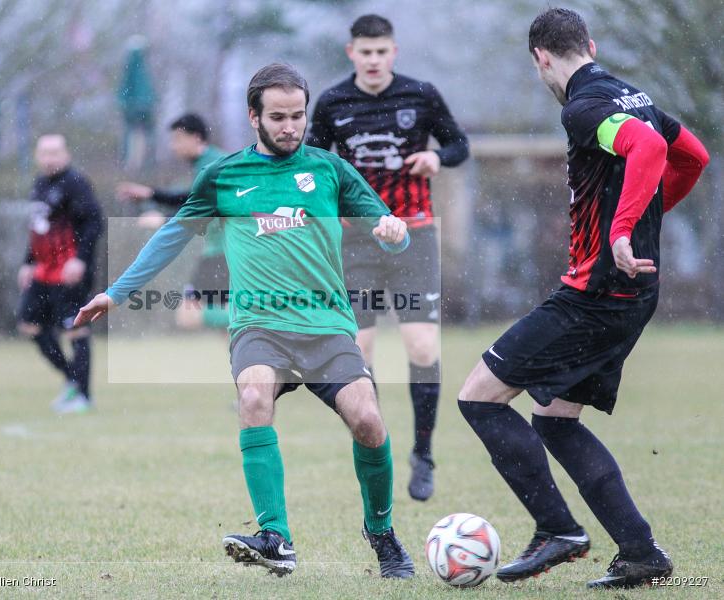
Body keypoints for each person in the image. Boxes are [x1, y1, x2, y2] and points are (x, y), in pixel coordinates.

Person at [76, 63, 416, 579]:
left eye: (298, 116)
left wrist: (395, 232)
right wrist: (116, 292)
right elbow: (174, 233)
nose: (290, 127)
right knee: (253, 398)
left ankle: (381, 530)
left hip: (326, 325)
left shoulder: (328, 170)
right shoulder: (223, 175)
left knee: (368, 421)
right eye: (278, 117)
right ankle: (276, 537)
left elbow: (388, 223)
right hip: (259, 325)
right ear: (253, 117)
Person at [456, 8, 708, 589]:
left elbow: (646, 148)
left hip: (593, 296)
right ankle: (641, 552)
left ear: (540, 58)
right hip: (632, 293)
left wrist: (623, 230)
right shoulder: (633, 95)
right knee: (555, 420)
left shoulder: (582, 108)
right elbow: (692, 155)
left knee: (480, 399)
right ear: (589, 45)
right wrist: (647, 214)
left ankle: (556, 530)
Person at [306, 14, 469, 501]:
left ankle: (423, 453)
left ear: (393, 52)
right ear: (350, 52)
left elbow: (459, 144)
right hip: (356, 242)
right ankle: (379, 442)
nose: (374, 60)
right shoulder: (334, 101)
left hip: (414, 237)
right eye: (365, 52)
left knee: (421, 348)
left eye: (382, 52)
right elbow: (312, 163)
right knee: (359, 350)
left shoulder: (420, 94)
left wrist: (437, 158)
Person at [117, 114, 230, 330]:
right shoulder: (212, 163)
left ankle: (259, 321)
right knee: (225, 326)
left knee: (188, 315)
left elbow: (202, 207)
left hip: (221, 253)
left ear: (196, 138)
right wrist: (150, 194)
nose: (173, 146)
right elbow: (192, 198)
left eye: (178, 139)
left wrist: (163, 219)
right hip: (224, 251)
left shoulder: (213, 166)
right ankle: (248, 347)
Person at [17, 134, 104, 414]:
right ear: (37, 156)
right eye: (44, 152)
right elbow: (39, 228)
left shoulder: (75, 183)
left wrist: (80, 260)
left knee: (75, 330)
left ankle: (83, 396)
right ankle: (71, 379)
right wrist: (28, 261)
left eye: (55, 152)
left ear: (65, 154)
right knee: (29, 325)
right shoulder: (40, 184)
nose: (50, 158)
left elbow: (94, 223)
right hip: (43, 273)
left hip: (69, 273)